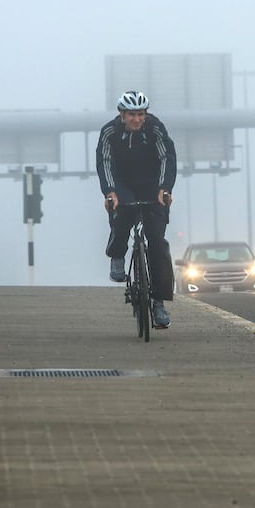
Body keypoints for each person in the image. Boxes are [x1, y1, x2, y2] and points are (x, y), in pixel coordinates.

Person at [95, 90, 177, 329]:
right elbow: (105, 163)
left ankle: (159, 303)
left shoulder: (155, 128)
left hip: (153, 185)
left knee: (158, 242)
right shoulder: (109, 132)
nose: (137, 119)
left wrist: (165, 188)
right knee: (120, 218)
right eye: (132, 114)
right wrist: (110, 191)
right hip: (123, 184)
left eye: (141, 114)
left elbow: (167, 158)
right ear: (122, 115)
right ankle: (117, 254)